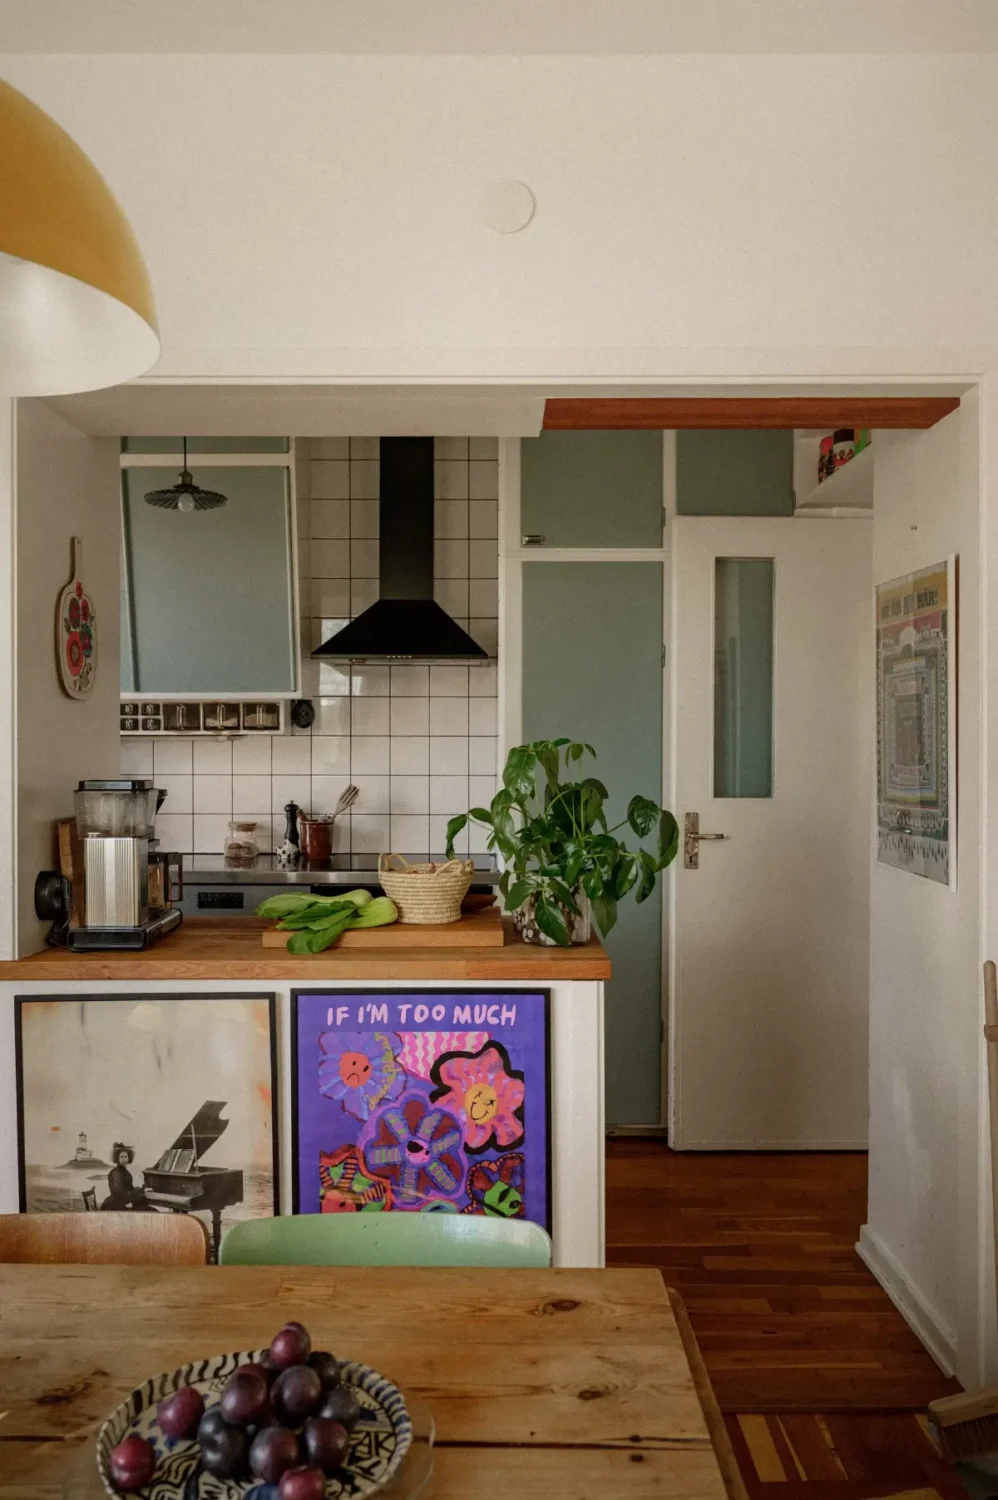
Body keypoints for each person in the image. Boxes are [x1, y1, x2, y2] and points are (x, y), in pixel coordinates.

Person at [101, 1142, 153, 1210]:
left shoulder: (126, 1172)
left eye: (125, 1156)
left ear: (128, 1158)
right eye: (121, 1157)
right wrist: (127, 1202)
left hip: (124, 1199)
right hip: (116, 1202)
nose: (123, 1158)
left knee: (143, 1200)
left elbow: (129, 1188)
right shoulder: (115, 1172)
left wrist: (141, 1189)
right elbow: (117, 1191)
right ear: (117, 1158)